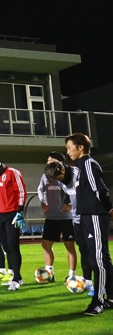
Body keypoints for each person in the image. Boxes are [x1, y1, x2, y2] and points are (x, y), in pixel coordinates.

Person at [65, 133, 113, 315]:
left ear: (81, 148)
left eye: (70, 147)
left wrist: (109, 208)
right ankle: (111, 297)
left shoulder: (88, 164)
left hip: (94, 215)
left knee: (98, 260)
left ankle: (98, 301)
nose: (68, 151)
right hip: (85, 215)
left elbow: (99, 189)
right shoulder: (77, 166)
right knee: (101, 258)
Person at [45, 160, 93, 295]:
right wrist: (68, 203)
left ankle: (105, 286)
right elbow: (70, 194)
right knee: (84, 250)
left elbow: (94, 191)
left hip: (89, 218)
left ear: (63, 170)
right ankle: (88, 282)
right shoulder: (62, 182)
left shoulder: (79, 173)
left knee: (96, 254)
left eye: (58, 177)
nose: (58, 180)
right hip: (77, 220)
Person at [0, 153, 27, 291]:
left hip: (12, 215)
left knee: (13, 246)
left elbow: (21, 191)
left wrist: (19, 212)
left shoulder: (12, 172)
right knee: (6, 247)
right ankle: (18, 277)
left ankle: (15, 279)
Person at [37, 152, 77, 282]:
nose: (48, 162)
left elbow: (74, 192)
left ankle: (71, 275)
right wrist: (43, 203)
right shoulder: (45, 176)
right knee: (46, 244)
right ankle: (49, 273)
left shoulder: (68, 176)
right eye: (47, 160)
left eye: (51, 160)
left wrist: (70, 204)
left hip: (67, 218)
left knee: (69, 246)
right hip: (51, 217)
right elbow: (40, 190)